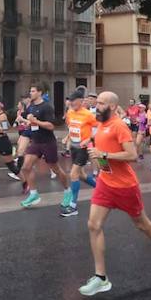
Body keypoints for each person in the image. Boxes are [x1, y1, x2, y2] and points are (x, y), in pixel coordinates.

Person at [78, 91, 151, 297]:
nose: (97, 107)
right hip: (105, 183)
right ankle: (101, 277)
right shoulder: (101, 125)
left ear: (113, 107)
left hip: (125, 187)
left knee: (142, 224)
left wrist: (104, 154)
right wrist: (91, 149)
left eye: (102, 104)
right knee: (93, 225)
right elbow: (101, 153)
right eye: (97, 103)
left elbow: (132, 155)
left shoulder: (119, 126)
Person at [59, 88, 99, 217]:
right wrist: (67, 137)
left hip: (83, 149)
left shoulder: (88, 114)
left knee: (73, 174)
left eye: (73, 101)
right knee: (81, 175)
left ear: (81, 101)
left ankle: (73, 206)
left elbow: (98, 128)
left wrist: (89, 139)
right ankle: (100, 188)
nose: (71, 103)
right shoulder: (70, 113)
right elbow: (72, 128)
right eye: (70, 101)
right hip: (74, 148)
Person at [17, 85, 59, 208]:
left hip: (47, 141)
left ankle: (68, 190)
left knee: (56, 169)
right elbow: (32, 122)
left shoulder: (46, 107)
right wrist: (28, 123)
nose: (30, 93)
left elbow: (51, 126)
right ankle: (33, 194)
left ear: (40, 92)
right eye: (30, 91)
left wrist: (35, 122)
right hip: (36, 141)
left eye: (33, 91)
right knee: (25, 167)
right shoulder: (31, 107)